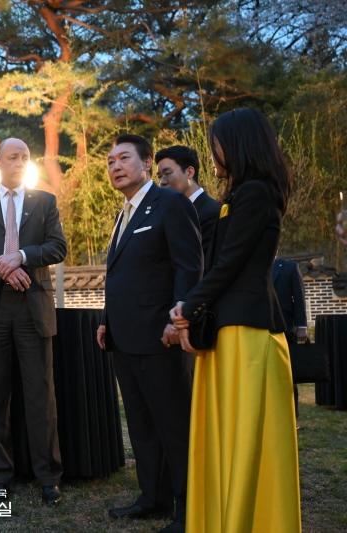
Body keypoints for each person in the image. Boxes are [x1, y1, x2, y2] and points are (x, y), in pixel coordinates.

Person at [171, 107, 301, 533]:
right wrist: (190, 309)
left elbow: (228, 265)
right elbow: (220, 268)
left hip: (248, 332)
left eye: (217, 144)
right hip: (230, 329)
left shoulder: (257, 193)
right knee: (226, 437)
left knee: (244, 441)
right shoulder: (241, 194)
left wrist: (187, 309)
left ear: (240, 143)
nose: (213, 153)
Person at [97, 134, 203, 533]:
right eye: (109, 162)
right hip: (125, 338)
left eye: (124, 158)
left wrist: (179, 319)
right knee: (141, 423)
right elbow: (120, 276)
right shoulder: (122, 213)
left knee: (173, 426)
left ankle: (188, 509)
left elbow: (189, 267)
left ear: (145, 164)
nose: (115, 166)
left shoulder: (170, 203)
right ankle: (152, 499)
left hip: (161, 337)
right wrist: (107, 318)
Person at [0, 138, 66, 506]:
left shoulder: (45, 201)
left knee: (41, 397)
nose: (19, 162)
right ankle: (0, 477)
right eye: (13, 157)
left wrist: (20, 256)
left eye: (25, 157)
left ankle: (48, 476)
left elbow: (57, 247)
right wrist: (2, 268)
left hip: (33, 309)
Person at [156, 145, 220, 255]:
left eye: (167, 173)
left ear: (189, 172)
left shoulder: (211, 213)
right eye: (159, 176)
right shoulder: (165, 214)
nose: (162, 182)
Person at [273, 257, 308, 421]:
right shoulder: (254, 266)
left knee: (289, 375)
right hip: (260, 327)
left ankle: (292, 417)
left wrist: (302, 326)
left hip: (286, 328)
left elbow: (299, 297)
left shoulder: (290, 267)